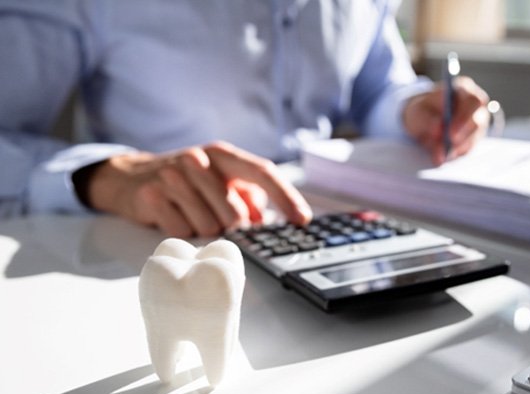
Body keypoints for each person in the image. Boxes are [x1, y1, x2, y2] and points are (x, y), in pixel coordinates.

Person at [0, 0, 489, 237]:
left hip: (329, 230)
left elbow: (376, 90)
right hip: (153, 244)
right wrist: (101, 176)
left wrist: (413, 110)